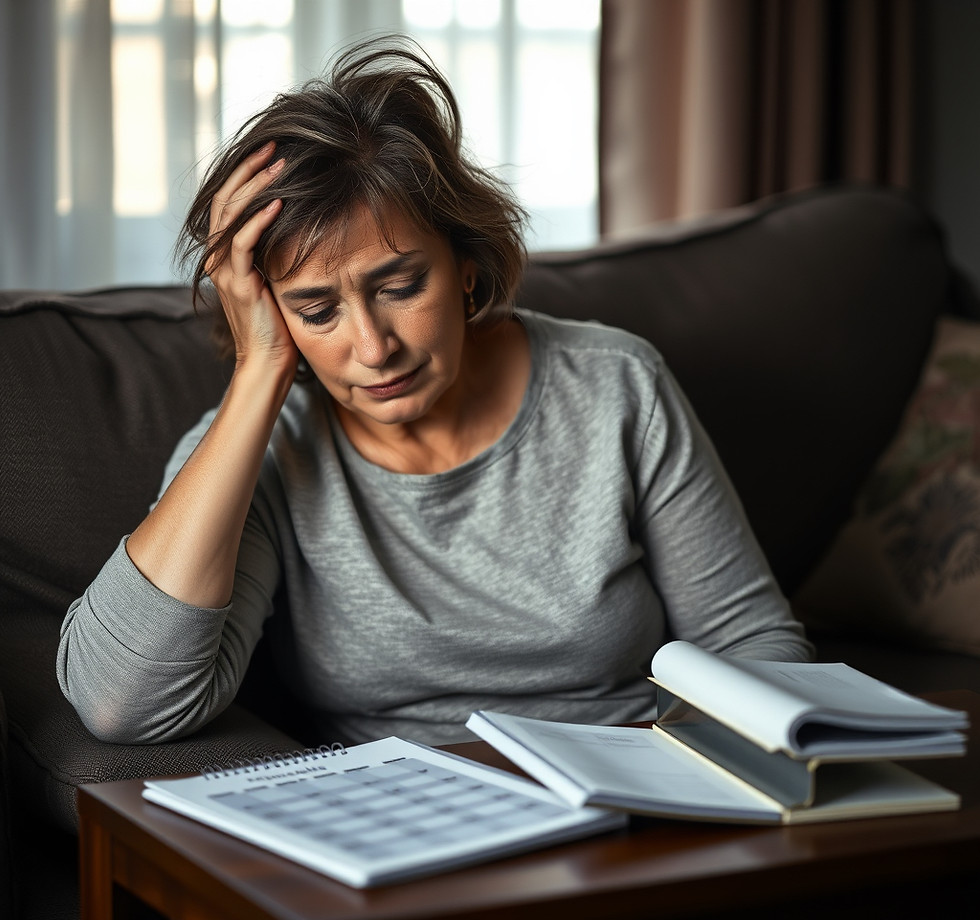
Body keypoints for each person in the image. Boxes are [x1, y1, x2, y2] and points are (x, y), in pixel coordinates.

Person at [57, 37, 811, 748]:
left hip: (636, 797)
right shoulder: (264, 448)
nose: (373, 346)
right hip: (403, 833)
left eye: (400, 285)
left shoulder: (616, 385)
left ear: (467, 265)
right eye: (317, 310)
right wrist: (259, 371)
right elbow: (120, 704)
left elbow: (753, 647)